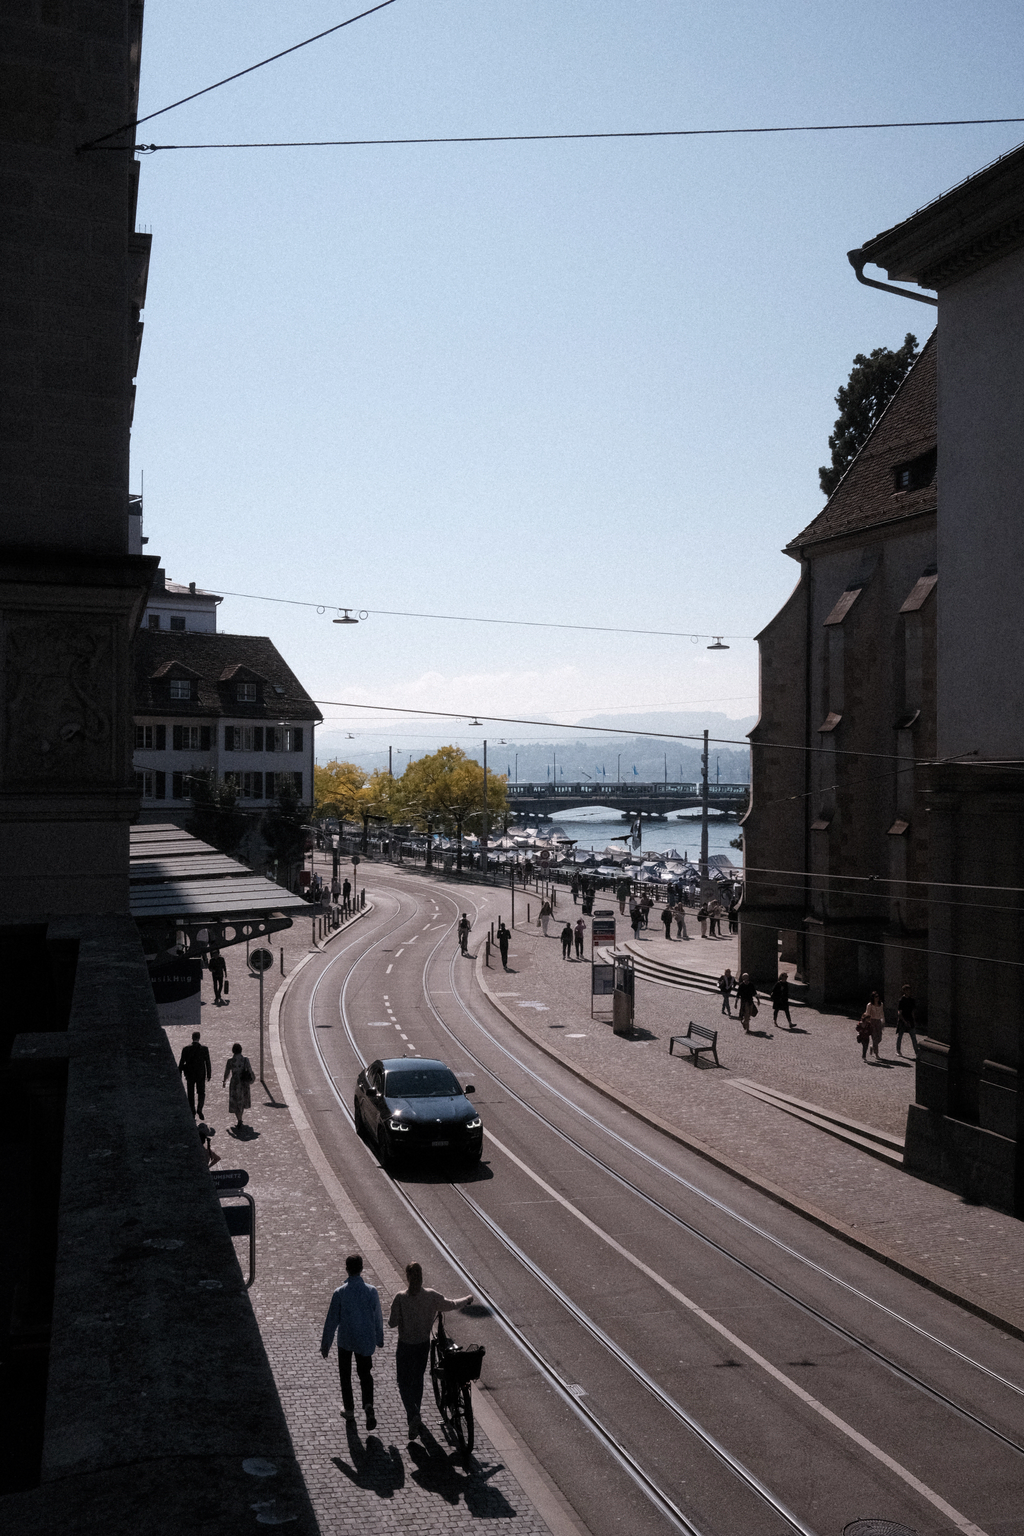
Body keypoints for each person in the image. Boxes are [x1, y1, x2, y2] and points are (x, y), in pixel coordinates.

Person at [388, 1262, 472, 1438]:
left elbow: (392, 1323)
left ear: (407, 1277)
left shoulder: (401, 1298)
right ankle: (415, 1414)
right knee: (417, 1380)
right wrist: (467, 1299)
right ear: (422, 1276)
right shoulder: (431, 1296)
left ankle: (413, 1415)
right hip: (422, 1345)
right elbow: (450, 1304)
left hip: (405, 1345)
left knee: (403, 1382)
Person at [321, 1254, 384, 1433]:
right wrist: (379, 1338)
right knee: (365, 1374)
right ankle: (368, 1405)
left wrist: (326, 1344)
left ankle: (349, 1410)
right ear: (362, 1268)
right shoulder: (371, 1291)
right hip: (365, 1340)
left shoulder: (340, 1292)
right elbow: (377, 1317)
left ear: (347, 1269)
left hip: (346, 1340)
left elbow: (331, 1320)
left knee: (345, 1375)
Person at [178, 1030, 212, 1116]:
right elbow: (207, 1062)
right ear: (199, 1038)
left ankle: (192, 1110)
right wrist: (209, 1074)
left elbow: (181, 1062)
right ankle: (199, 1108)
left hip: (189, 1074)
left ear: (192, 1038)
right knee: (201, 1092)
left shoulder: (186, 1049)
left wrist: (179, 1074)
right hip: (200, 1074)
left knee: (190, 1092)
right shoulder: (204, 1049)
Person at [224, 1042, 254, 1128]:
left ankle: (239, 1119)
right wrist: (251, 1080)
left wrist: (224, 1081)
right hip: (244, 1082)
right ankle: (240, 1117)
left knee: (236, 1101)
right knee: (242, 1100)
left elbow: (227, 1072)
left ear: (233, 1051)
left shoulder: (230, 1061)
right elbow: (250, 1070)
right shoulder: (245, 1060)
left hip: (235, 1083)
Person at [896, 985, 919, 1057]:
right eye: (907, 990)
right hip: (903, 1020)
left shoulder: (912, 1000)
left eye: (909, 990)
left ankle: (917, 1052)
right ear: (904, 991)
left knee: (913, 1037)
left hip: (910, 1020)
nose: (908, 992)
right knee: (900, 1036)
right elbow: (899, 1012)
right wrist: (904, 1021)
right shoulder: (901, 1000)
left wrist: (913, 1020)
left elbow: (912, 1011)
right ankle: (898, 1051)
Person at [861, 991, 885, 1059]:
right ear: (873, 998)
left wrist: (883, 1021)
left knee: (879, 1037)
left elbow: (882, 1013)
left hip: (878, 1021)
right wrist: (866, 1022)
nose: (877, 998)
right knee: (874, 1037)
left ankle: (873, 1046)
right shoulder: (870, 1005)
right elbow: (867, 1014)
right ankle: (876, 1054)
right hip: (872, 1021)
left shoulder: (881, 1004)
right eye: (875, 997)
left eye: (878, 996)